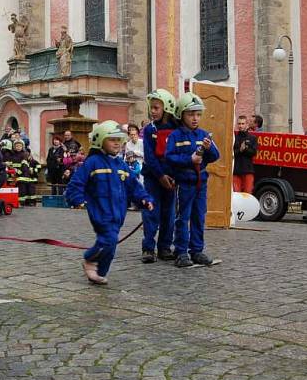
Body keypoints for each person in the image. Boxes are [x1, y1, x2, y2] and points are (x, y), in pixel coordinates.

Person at [65, 120, 153, 285]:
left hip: (118, 213)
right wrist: (76, 199)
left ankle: (99, 271)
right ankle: (89, 258)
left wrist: (145, 199)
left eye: (119, 140)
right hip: (100, 211)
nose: (117, 143)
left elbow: (134, 185)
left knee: (110, 245)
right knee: (109, 239)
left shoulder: (121, 164)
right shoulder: (92, 162)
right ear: (100, 141)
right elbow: (76, 182)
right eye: (112, 139)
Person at [166, 93, 220, 268]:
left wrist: (208, 148)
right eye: (190, 114)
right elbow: (170, 157)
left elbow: (215, 156)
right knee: (183, 217)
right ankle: (181, 252)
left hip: (200, 183)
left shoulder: (204, 134)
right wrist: (189, 159)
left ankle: (196, 250)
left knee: (199, 216)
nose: (195, 118)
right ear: (181, 114)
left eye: (198, 114)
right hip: (184, 183)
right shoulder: (175, 136)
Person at [140, 89, 178, 263]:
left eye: (156, 108)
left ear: (167, 108)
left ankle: (164, 247)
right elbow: (149, 156)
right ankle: (148, 248)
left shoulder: (176, 129)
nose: (153, 111)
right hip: (153, 178)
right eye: (151, 108)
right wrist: (161, 176)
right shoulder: (149, 130)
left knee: (169, 214)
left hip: (171, 179)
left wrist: (173, 176)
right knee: (151, 213)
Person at [232, 115, 258, 193]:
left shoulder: (252, 138)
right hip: (236, 171)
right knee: (236, 196)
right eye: (239, 124)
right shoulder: (234, 138)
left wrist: (245, 149)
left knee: (248, 195)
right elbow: (231, 153)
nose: (240, 126)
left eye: (243, 124)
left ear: (247, 125)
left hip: (247, 171)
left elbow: (254, 153)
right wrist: (240, 150)